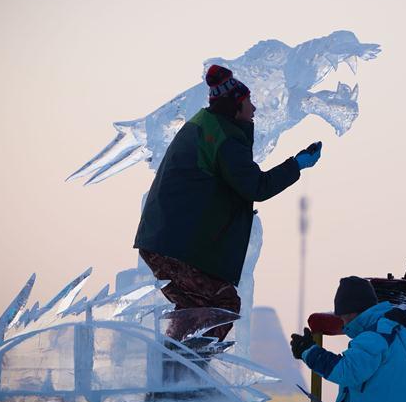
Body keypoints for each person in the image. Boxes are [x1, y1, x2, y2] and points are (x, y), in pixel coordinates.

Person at [135, 64, 322, 341]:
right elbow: (255, 186)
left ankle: (172, 361)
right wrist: (296, 165)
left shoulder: (204, 125)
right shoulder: (225, 138)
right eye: (248, 102)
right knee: (223, 304)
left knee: (193, 309)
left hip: (162, 241)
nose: (254, 109)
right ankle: (191, 362)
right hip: (177, 246)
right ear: (235, 107)